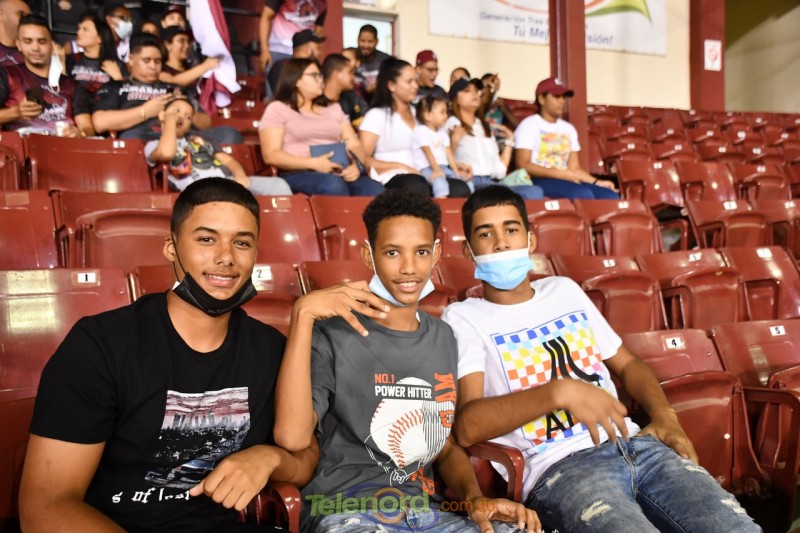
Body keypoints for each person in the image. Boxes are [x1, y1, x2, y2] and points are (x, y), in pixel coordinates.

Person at [441, 185, 763, 533]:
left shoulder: (564, 290)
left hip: (638, 445)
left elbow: (628, 364)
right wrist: (558, 392)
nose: (501, 243)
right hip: (561, 470)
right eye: (486, 234)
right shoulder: (464, 317)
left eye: (511, 229)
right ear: (469, 251)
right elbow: (467, 426)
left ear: (530, 241)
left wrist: (665, 415)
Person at [19, 177, 319, 532]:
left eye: (241, 242)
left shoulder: (269, 348)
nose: (226, 257)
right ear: (171, 248)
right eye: (206, 239)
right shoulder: (100, 345)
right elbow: (45, 507)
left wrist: (271, 458)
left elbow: (306, 455)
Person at [273, 189, 541, 533]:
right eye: (392, 252)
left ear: (436, 254)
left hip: (428, 514)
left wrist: (475, 501)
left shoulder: (443, 336)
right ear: (368, 255)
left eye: (421, 252)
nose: (409, 268)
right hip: (346, 511)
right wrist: (303, 315)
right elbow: (292, 438)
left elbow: (443, 446)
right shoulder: (331, 333)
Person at [259, 58, 383, 197]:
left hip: (339, 170)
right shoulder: (277, 109)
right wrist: (313, 163)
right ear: (297, 80)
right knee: (333, 185)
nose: (321, 80)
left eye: (320, 75)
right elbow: (271, 155)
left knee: (375, 190)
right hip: (299, 172)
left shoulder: (333, 108)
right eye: (314, 75)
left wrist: (356, 166)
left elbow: (354, 144)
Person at [93, 32, 241, 144]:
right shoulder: (116, 87)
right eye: (147, 60)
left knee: (230, 134)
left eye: (157, 61)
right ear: (131, 59)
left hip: (184, 137)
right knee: (131, 139)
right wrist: (145, 111)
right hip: (144, 136)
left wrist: (187, 113)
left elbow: (207, 123)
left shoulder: (175, 89)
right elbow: (100, 122)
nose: (153, 66)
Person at [359, 57, 466, 197]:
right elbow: (363, 159)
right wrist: (401, 166)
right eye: (409, 81)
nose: (415, 86)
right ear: (391, 85)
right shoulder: (376, 115)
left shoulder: (420, 115)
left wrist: (455, 165)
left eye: (416, 80)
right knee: (417, 185)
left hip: (424, 174)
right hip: (393, 177)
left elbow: (435, 146)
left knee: (460, 188)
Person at [147, 97, 291, 196]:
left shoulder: (200, 140)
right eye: (176, 111)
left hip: (227, 181)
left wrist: (240, 175)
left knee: (277, 184)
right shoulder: (153, 145)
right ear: (161, 115)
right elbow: (166, 153)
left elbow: (228, 160)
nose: (181, 117)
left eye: (188, 117)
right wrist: (170, 121)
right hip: (199, 189)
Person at [514, 77, 619, 200]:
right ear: (541, 99)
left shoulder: (568, 128)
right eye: (557, 97)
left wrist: (596, 182)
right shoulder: (529, 125)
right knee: (582, 194)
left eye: (563, 97)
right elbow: (523, 164)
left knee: (610, 195)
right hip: (539, 179)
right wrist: (560, 174)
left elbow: (574, 169)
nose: (562, 101)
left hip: (566, 179)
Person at [446, 77, 543, 200]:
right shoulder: (450, 123)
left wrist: (509, 142)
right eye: (467, 90)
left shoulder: (484, 126)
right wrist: (454, 141)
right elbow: (442, 161)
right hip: (468, 183)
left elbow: (499, 172)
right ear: (455, 99)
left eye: (476, 91)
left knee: (534, 192)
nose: (474, 94)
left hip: (492, 183)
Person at [0, 15, 92, 137]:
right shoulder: (7, 75)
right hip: (22, 146)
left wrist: (80, 133)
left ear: (52, 44)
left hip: (64, 145)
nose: (35, 48)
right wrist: (16, 112)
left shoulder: (71, 84)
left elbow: (87, 127)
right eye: (28, 41)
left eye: (42, 41)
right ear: (19, 44)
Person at [413, 93, 472, 198]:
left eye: (446, 112)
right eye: (442, 112)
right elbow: (427, 152)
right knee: (440, 183)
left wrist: (455, 170)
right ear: (428, 115)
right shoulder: (421, 131)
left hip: (444, 167)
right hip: (428, 168)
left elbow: (448, 153)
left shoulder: (442, 133)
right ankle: (441, 203)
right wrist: (436, 170)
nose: (446, 116)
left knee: (466, 181)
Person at [66, 12, 126, 97]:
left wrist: (118, 78)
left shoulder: (117, 65)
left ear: (100, 38)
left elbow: (125, 97)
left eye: (85, 29)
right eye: (78, 29)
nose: (78, 32)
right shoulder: (70, 59)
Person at [258, 0, 325, 75]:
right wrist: (264, 50)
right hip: (279, 49)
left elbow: (318, 31)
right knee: (276, 81)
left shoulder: (322, 3)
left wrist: (316, 55)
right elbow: (266, 16)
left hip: (303, 53)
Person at [159, 25, 220, 91]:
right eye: (181, 41)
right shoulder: (160, 69)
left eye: (188, 41)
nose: (187, 45)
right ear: (168, 45)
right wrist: (206, 65)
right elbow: (172, 82)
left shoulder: (192, 68)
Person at [266, 28, 324, 96]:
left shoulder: (316, 68)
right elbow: (282, 94)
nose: (320, 53)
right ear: (306, 49)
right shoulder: (282, 68)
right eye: (318, 48)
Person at [318, 52, 367, 129]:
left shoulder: (350, 98)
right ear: (337, 75)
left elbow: (362, 127)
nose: (354, 77)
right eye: (350, 72)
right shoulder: (316, 101)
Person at [354, 24, 390, 99]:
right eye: (362, 41)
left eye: (370, 42)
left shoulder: (385, 60)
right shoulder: (351, 57)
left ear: (376, 42)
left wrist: (379, 86)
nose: (366, 45)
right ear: (357, 40)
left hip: (379, 102)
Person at [0, 0, 30, 66]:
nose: (27, 21)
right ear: (1, 15)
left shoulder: (34, 52)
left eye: (28, 17)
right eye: (21, 15)